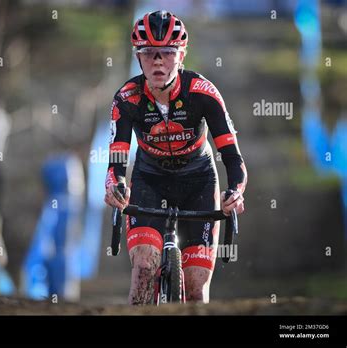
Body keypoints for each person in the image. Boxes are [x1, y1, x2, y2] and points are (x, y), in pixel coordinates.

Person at [104, 10, 247, 305]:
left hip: (199, 181)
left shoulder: (203, 93)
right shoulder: (127, 98)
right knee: (144, 268)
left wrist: (235, 192)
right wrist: (115, 186)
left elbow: (232, 157)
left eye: (167, 53)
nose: (158, 61)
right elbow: (117, 160)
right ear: (138, 57)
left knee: (196, 290)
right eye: (149, 53)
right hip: (150, 181)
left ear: (182, 55)